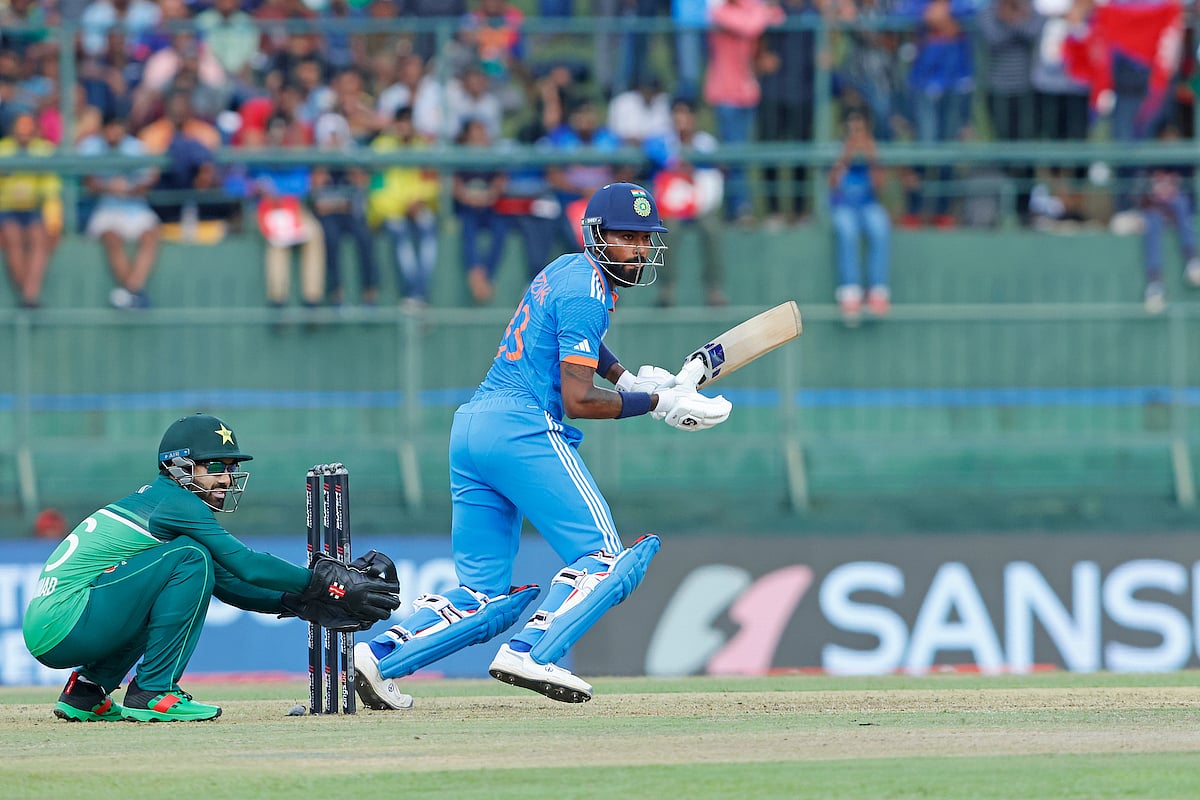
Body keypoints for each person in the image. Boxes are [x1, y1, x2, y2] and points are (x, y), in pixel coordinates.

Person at [352, 182, 733, 708]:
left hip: (471, 429)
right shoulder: (591, 290)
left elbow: (577, 341)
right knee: (604, 560)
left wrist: (624, 380)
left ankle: (380, 657)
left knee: (481, 594)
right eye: (627, 237)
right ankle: (532, 651)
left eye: (646, 238)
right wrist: (656, 404)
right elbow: (577, 400)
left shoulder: (564, 269)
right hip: (522, 428)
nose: (639, 250)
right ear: (596, 235)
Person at [22, 413, 402, 723]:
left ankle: (87, 691)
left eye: (231, 467)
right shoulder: (176, 504)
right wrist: (332, 585)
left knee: (185, 568)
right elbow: (247, 565)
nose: (225, 477)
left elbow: (230, 584)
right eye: (216, 465)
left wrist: (299, 601)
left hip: (60, 622)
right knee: (192, 556)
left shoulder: (164, 507)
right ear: (178, 467)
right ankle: (154, 691)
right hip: (68, 621)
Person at [78, 111, 162, 310]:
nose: (114, 132)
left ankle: (130, 292)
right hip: (105, 209)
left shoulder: (136, 147)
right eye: (110, 128)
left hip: (135, 207)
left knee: (150, 236)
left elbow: (150, 178)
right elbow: (87, 181)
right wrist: (109, 188)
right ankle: (135, 293)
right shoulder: (89, 147)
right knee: (112, 238)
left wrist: (129, 190)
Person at [829, 109, 891, 326]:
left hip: (867, 205)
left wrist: (872, 156)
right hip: (843, 205)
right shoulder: (837, 149)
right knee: (847, 229)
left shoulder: (871, 149)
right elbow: (833, 184)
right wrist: (847, 154)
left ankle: (877, 291)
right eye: (852, 130)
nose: (856, 134)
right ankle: (850, 293)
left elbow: (880, 186)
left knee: (880, 225)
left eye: (860, 129)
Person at [0, 111, 60, 308]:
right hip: (7, 209)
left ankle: (28, 295)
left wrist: (53, 223)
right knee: (12, 237)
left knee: (39, 239)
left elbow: (51, 189)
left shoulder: (43, 150)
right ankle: (28, 294)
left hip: (34, 209)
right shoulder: (3, 149)